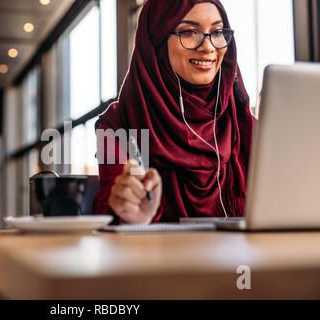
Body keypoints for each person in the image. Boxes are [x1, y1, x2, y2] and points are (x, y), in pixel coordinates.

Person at [93, 0, 255, 224]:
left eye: (217, 32)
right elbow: (114, 199)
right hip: (157, 256)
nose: (208, 47)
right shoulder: (116, 125)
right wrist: (132, 213)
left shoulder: (242, 121)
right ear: (156, 42)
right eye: (189, 31)